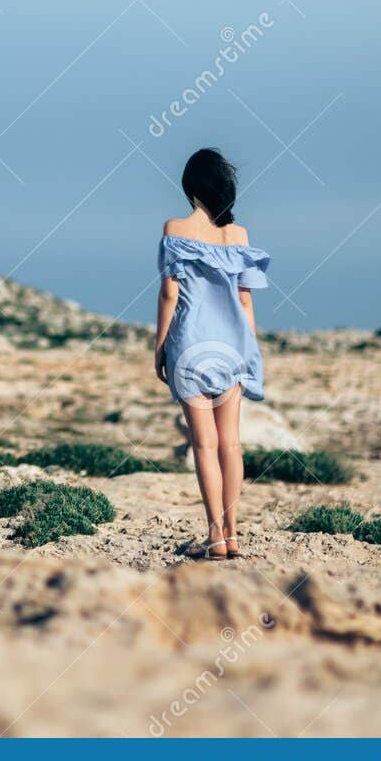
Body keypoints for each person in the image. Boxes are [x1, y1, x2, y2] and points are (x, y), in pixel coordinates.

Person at [153, 148, 270, 561]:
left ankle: (215, 535)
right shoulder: (238, 237)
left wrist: (159, 345)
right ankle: (234, 532)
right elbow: (246, 301)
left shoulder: (175, 228)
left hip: (189, 345)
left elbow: (170, 293)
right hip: (231, 348)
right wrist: (249, 347)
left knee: (204, 446)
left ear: (190, 186)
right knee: (231, 445)